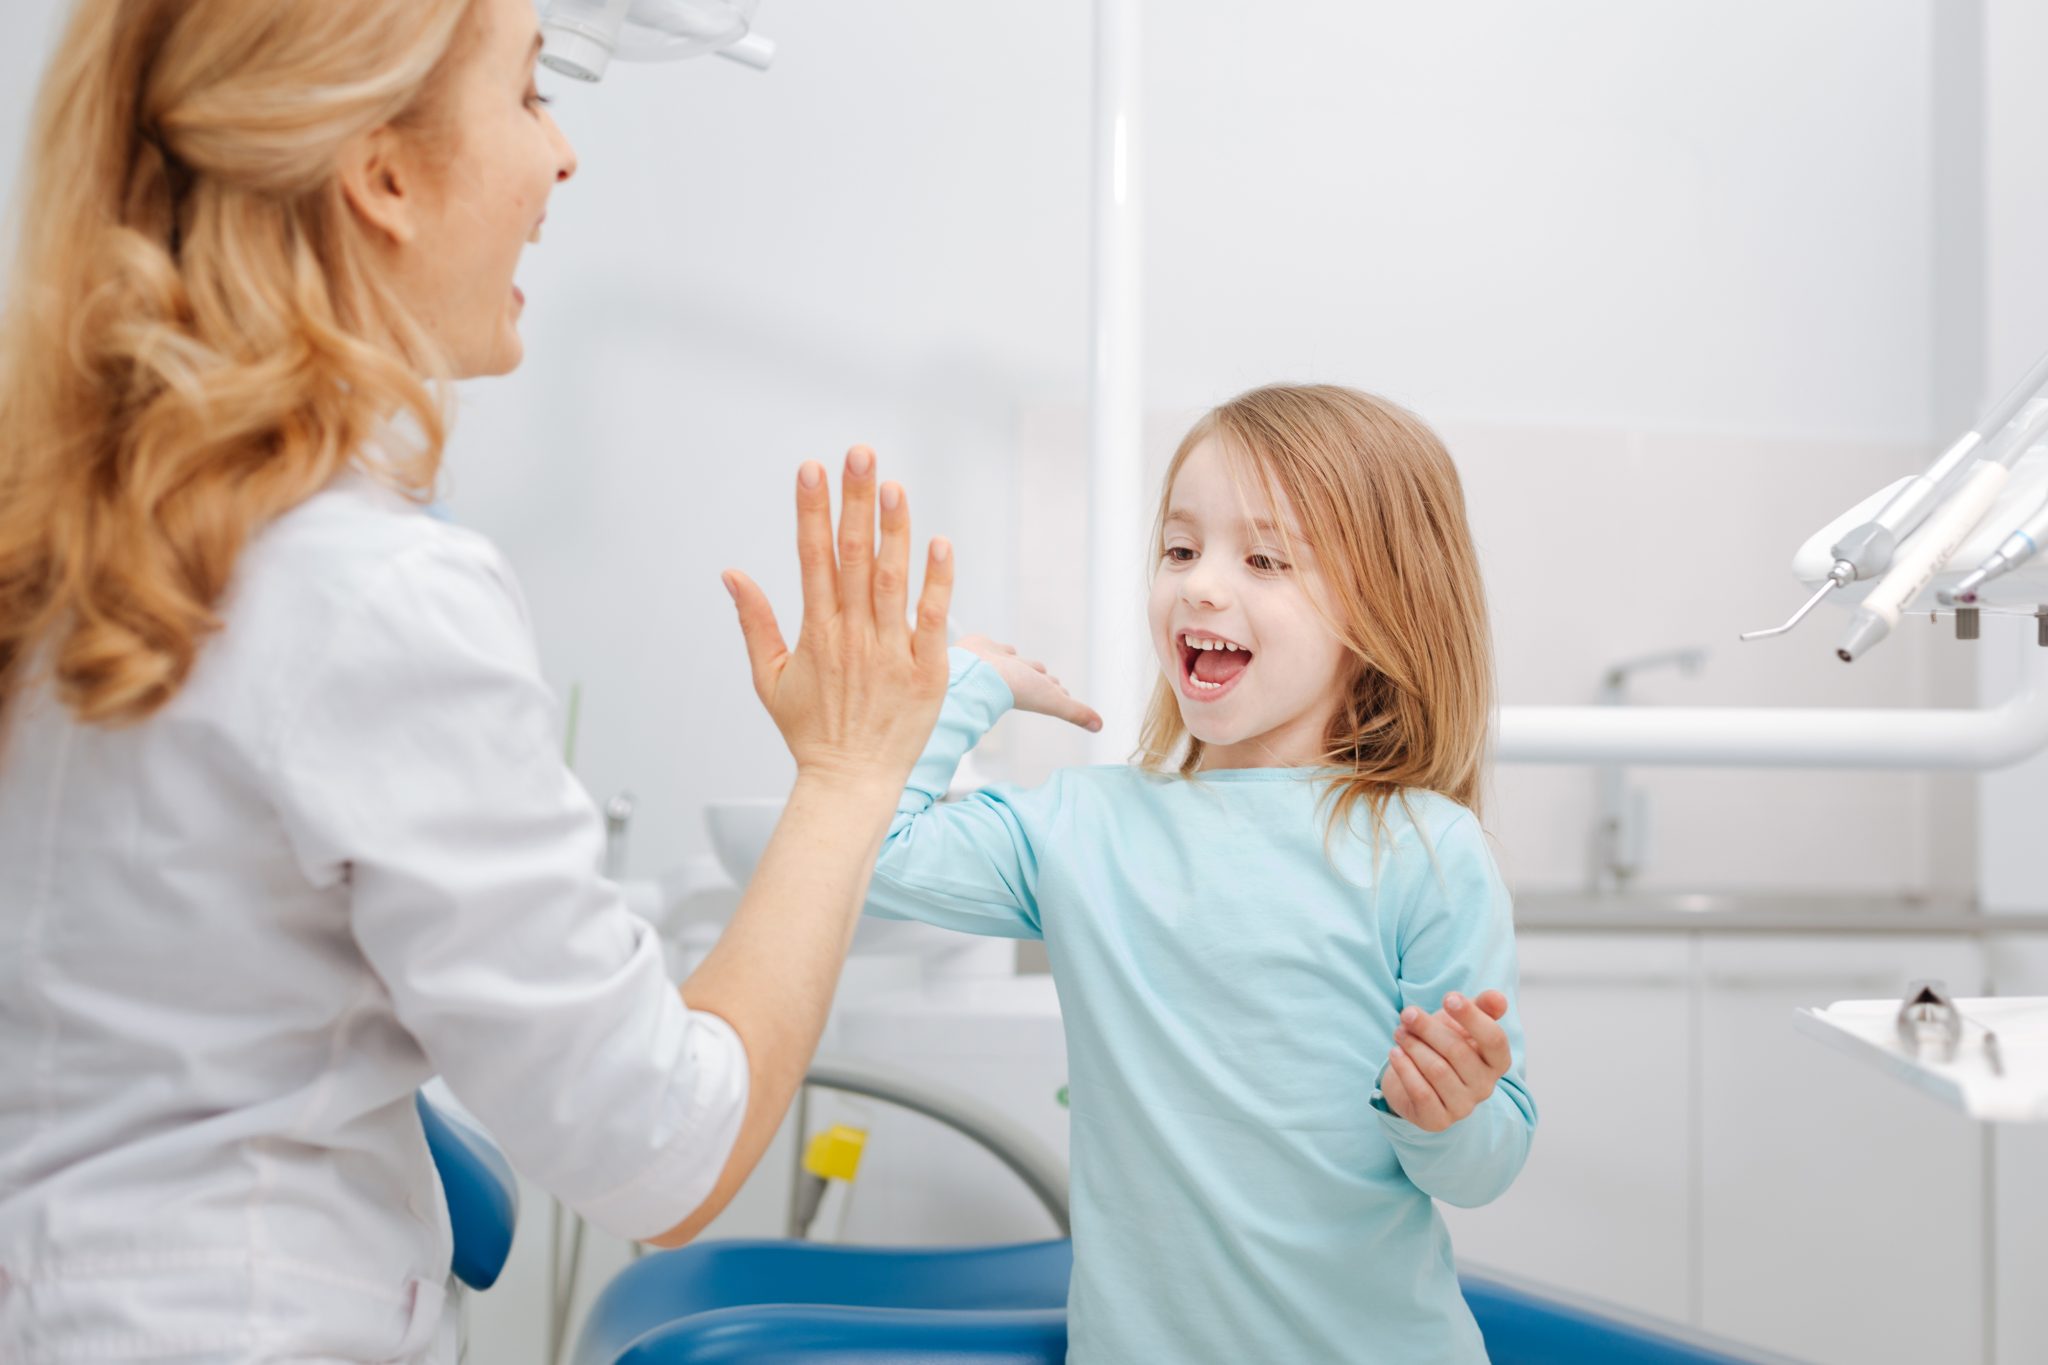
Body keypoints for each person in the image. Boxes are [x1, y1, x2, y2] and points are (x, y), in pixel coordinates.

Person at [0, 0, 950, 1358]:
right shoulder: (368, 594)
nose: (562, 156)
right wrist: (849, 780)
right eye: (528, 93)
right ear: (382, 171)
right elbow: (661, 1144)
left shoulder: (62, 549)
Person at [865, 384, 1537, 1363]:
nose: (1200, 587)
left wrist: (1445, 1115)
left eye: (1263, 559)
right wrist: (968, 685)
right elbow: (872, 852)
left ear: (1383, 608)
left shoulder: (1425, 852)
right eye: (1180, 550)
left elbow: (1485, 1167)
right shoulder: (1084, 828)